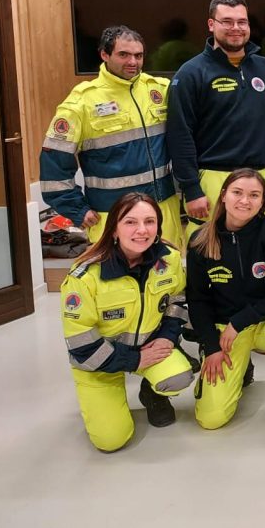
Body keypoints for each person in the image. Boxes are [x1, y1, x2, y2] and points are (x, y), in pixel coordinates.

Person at [60, 192, 194, 452]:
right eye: (130, 222)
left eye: (149, 221)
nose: (142, 230)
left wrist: (167, 337)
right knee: (111, 440)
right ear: (113, 229)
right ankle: (104, 398)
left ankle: (150, 392)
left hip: (150, 347)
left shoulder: (170, 259)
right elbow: (81, 345)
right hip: (98, 363)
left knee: (178, 377)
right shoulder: (85, 276)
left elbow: (177, 301)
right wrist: (134, 360)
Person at [41, 26, 182, 247]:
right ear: (104, 55)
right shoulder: (81, 102)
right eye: (123, 54)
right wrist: (76, 209)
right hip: (113, 216)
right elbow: (54, 162)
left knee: (167, 268)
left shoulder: (160, 90)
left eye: (138, 55)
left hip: (162, 212)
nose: (133, 62)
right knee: (119, 271)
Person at [185, 169, 265, 432]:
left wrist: (240, 321)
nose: (245, 201)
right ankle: (240, 366)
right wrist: (211, 346)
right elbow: (197, 299)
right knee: (211, 419)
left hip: (264, 321)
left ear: (263, 202)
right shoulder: (200, 240)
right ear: (224, 195)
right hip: (225, 330)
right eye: (237, 192)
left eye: (254, 195)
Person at [166, 0, 265, 234]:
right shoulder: (191, 73)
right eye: (227, 21)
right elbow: (179, 135)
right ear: (211, 24)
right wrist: (192, 189)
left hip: (259, 176)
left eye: (242, 22)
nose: (236, 28)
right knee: (208, 248)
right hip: (212, 178)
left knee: (255, 247)